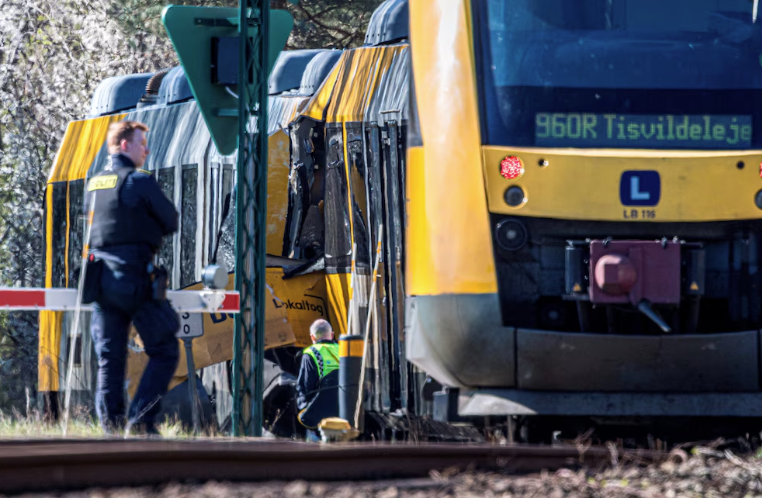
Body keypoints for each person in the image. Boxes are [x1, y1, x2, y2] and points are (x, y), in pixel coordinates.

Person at [85, 120, 180, 436]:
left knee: (109, 357)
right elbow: (171, 220)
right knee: (165, 348)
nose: (146, 150)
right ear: (125, 145)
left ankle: (111, 429)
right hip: (134, 277)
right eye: (142, 143)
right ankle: (140, 420)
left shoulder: (95, 184)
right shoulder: (140, 181)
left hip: (99, 282)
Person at [296, 319, 340, 434]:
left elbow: (306, 389)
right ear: (332, 335)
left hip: (322, 419)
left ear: (312, 337)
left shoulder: (311, 353)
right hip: (347, 413)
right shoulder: (344, 351)